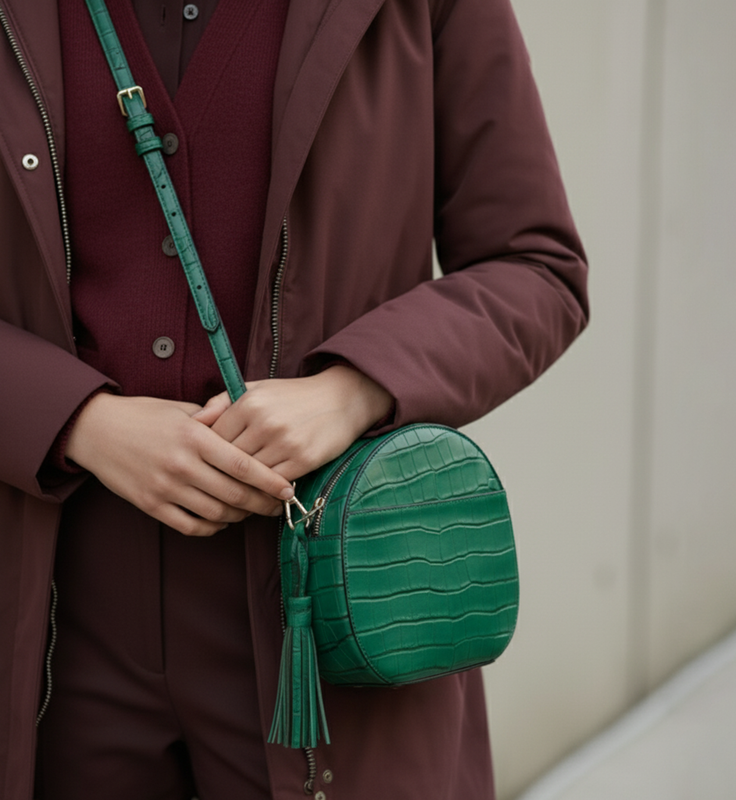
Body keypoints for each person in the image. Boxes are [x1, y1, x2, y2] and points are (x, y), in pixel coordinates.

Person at [0, 0, 589, 797]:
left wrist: (352, 390)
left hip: (329, 609)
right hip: (48, 615)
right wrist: (79, 423)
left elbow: (535, 266)